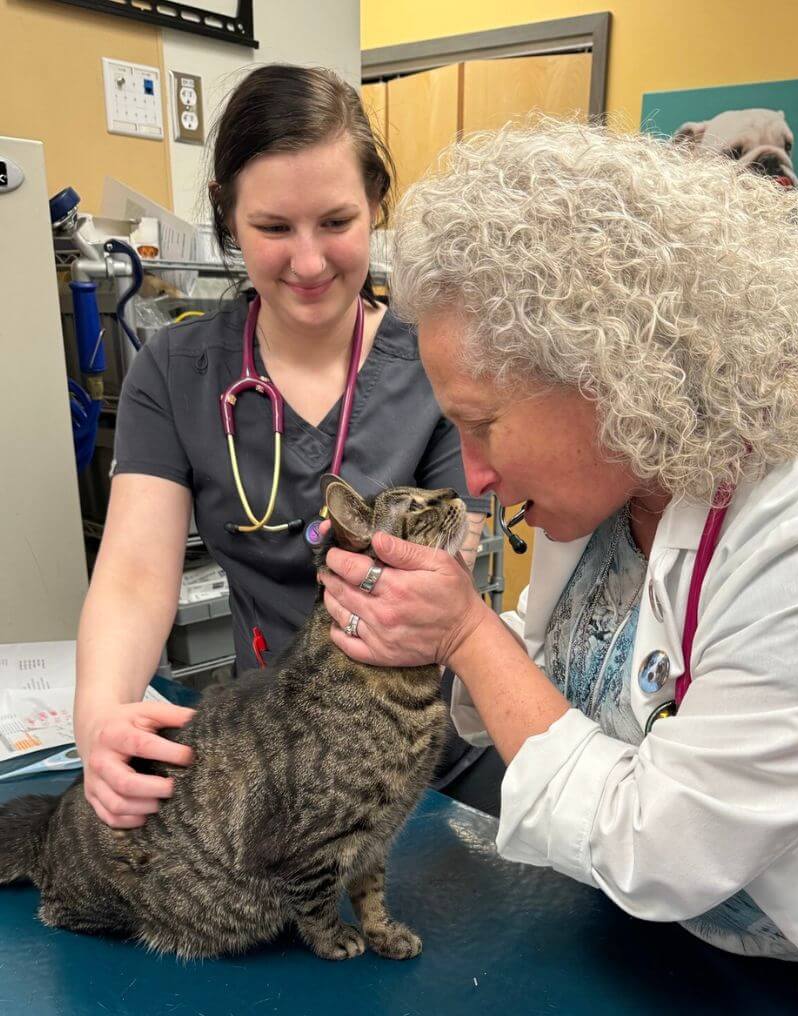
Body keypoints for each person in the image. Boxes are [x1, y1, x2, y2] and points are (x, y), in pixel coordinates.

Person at [319, 120, 798, 960]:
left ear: (609, 374)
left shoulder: (779, 527)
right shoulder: (602, 491)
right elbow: (558, 686)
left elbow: (664, 845)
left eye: (482, 426)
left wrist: (466, 633)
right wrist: (430, 641)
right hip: (639, 950)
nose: (472, 477)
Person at [74, 64, 489, 831]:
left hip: (420, 758)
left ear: (376, 209)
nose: (308, 262)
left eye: (337, 222)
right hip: (266, 750)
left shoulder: (438, 366)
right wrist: (101, 718)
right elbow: (134, 577)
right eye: (273, 228)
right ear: (228, 220)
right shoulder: (176, 372)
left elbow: (440, 584)